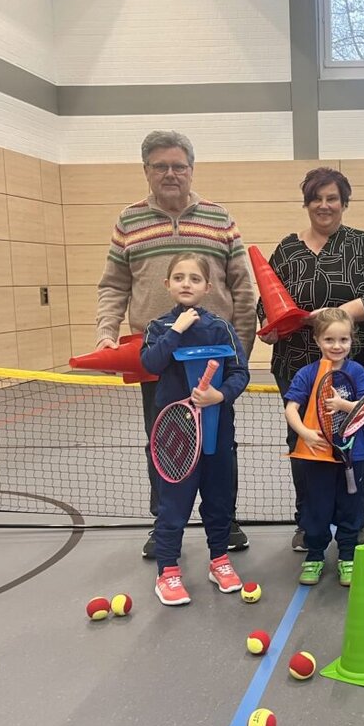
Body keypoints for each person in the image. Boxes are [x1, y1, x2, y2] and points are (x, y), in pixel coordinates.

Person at [95, 130, 256, 561]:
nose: (170, 173)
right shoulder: (129, 221)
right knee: (163, 441)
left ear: (191, 169)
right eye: (160, 166)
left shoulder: (219, 218)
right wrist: (107, 333)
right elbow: (113, 285)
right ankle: (165, 522)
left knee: (219, 442)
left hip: (214, 362)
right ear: (146, 170)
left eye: (178, 166)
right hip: (159, 359)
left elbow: (243, 288)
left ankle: (224, 520)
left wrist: (238, 352)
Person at [259, 167, 364, 550]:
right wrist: (267, 325)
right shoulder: (287, 250)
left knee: (355, 441)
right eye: (316, 198)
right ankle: (309, 522)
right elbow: (266, 300)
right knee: (304, 442)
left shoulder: (361, 244)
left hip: (353, 365)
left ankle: (354, 520)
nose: (324, 205)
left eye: (332, 198)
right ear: (306, 203)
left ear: (343, 203)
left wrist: (334, 316)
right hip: (296, 366)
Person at [140, 253, 250, 606]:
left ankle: (219, 560)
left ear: (208, 287)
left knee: (218, 500)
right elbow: (151, 363)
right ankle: (168, 571)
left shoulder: (221, 328)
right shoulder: (158, 328)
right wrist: (176, 331)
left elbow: (240, 372)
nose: (186, 283)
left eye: (194, 278)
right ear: (167, 284)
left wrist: (220, 394)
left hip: (217, 433)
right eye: (178, 277)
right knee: (173, 504)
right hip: (175, 437)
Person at [284, 308, 364, 586]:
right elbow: (291, 408)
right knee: (316, 506)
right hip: (316, 455)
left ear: (351, 340)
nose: (337, 346)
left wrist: (343, 405)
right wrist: (304, 433)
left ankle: (347, 556)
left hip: (352, 454)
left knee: (351, 506)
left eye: (343, 340)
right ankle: (314, 556)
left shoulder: (357, 372)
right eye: (329, 340)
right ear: (317, 340)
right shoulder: (307, 373)